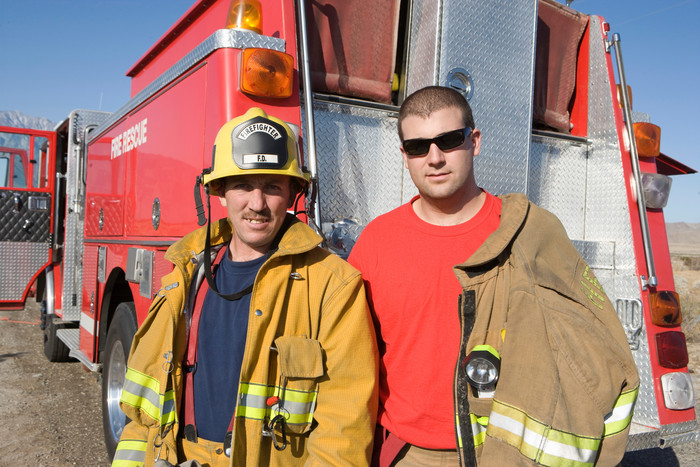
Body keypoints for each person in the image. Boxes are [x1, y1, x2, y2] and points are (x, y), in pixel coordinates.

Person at [348, 86, 639, 466]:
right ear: (405, 156)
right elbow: (352, 362)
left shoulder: (528, 232)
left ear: (475, 141)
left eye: (449, 140)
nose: (434, 158)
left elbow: (591, 345)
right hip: (408, 454)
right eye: (418, 147)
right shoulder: (376, 242)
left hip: (503, 453)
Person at [112, 107, 378, 467]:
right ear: (219, 192)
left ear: (292, 194)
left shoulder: (333, 286)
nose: (257, 203)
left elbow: (342, 434)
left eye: (272, 187)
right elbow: (144, 417)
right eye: (242, 186)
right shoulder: (184, 278)